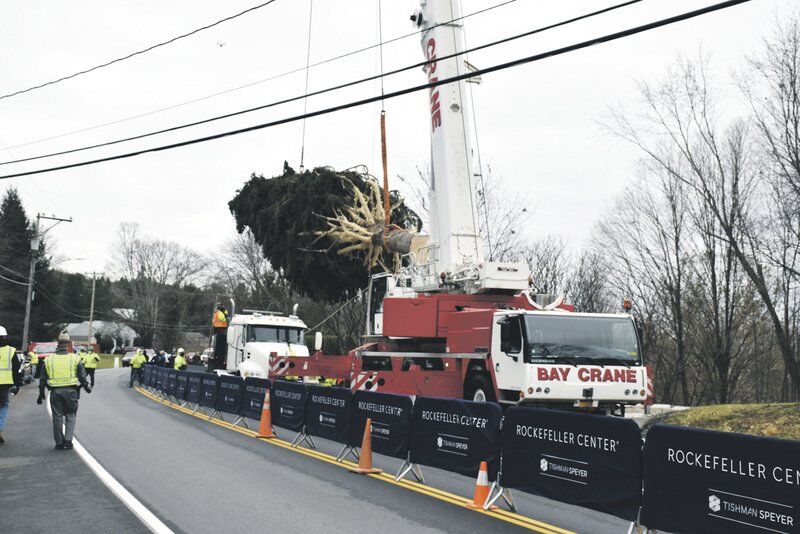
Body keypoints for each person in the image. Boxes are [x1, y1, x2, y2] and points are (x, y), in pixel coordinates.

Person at [38, 333, 91, 450]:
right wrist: (86, 386)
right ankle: (68, 440)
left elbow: (42, 379)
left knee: (57, 417)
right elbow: (82, 376)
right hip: (71, 391)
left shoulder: (49, 360)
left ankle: (59, 443)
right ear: (68, 343)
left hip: (55, 392)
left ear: (58, 342)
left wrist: (41, 393)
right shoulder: (75, 358)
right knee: (71, 415)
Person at [0, 326, 22, 444]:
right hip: (5, 384)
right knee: (3, 406)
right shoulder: (11, 351)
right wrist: (17, 384)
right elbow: (16, 369)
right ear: (5, 337)